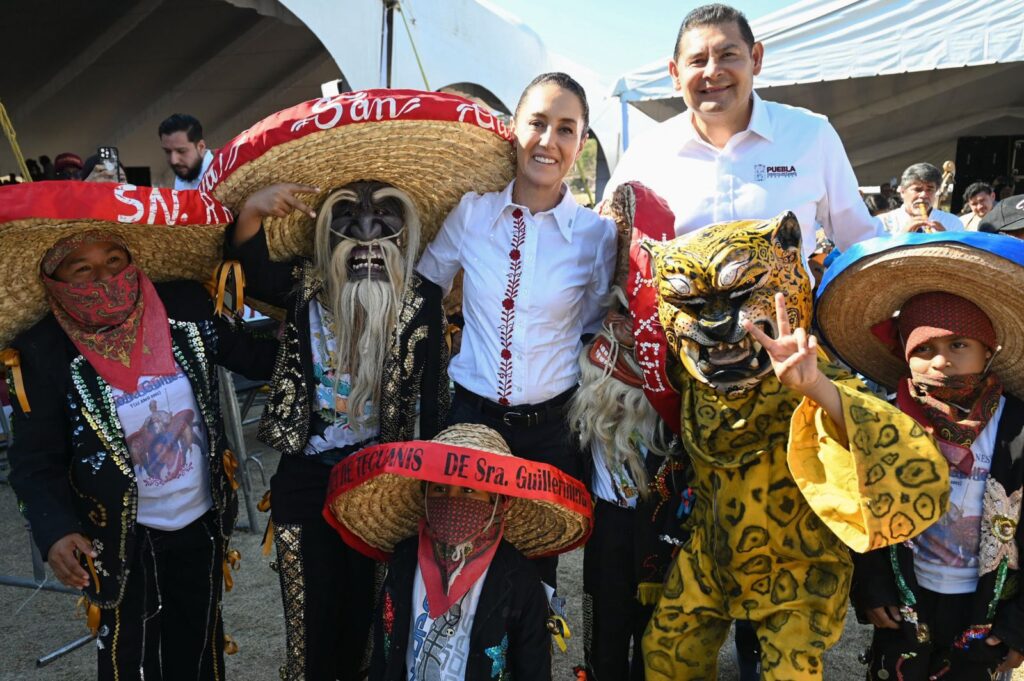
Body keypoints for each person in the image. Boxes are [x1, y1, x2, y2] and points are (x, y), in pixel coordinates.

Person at [206, 89, 515, 680]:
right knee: (311, 613)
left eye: (384, 224)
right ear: (327, 236)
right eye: (351, 223)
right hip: (306, 479)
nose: (368, 237)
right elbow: (249, 268)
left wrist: (435, 476)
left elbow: (433, 395)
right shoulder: (303, 289)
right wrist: (253, 210)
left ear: (406, 233)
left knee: (380, 613)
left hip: (385, 480)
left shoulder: (422, 301)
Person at [639, 211, 948, 680]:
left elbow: (884, 439)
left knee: (791, 674)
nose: (718, 322)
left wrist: (817, 388)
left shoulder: (806, 369)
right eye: (693, 304)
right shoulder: (688, 375)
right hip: (710, 553)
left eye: (741, 294)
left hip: (797, 565)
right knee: (665, 652)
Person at [0, 181, 277, 681]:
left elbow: (255, 357)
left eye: (113, 261)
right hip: (116, 536)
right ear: (54, 278)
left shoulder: (185, 308)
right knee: (128, 657)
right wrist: (55, 530)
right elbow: (33, 460)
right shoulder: (43, 352)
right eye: (81, 269)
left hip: (202, 517)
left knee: (199, 643)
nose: (103, 278)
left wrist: (323, 335)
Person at [417, 71, 616, 591]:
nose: (549, 141)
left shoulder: (596, 237)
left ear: (581, 142)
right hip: (470, 421)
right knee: (458, 566)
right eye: (538, 123)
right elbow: (423, 289)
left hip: (551, 434)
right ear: (513, 128)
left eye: (566, 129)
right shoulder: (471, 214)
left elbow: (592, 326)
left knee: (534, 576)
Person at [815, 232, 1024, 680]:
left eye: (958, 345)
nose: (941, 361)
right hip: (908, 596)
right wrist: (872, 588)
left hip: (985, 606)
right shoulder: (891, 420)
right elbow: (866, 509)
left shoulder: (1017, 428)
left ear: (990, 351)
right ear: (905, 357)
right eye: (923, 349)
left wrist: (1018, 627)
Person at [604, 3, 881, 265]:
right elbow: (604, 244)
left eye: (728, 55)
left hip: (791, 316)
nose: (712, 71)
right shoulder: (647, 152)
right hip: (675, 317)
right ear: (676, 74)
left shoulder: (811, 135)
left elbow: (861, 240)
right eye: (698, 61)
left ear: (756, 58)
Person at [323, 423, 593, 680]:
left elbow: (533, 670)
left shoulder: (521, 580)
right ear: (424, 495)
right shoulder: (405, 561)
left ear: (500, 502)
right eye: (440, 489)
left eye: (469, 490)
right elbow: (385, 652)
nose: (453, 502)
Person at [569, 180, 685, 681]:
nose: (621, 325)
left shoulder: (674, 360)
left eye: (630, 314)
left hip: (659, 516)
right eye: (614, 313)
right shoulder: (588, 348)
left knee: (658, 632)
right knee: (604, 622)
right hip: (606, 517)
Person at [879, 163, 964, 234]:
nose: (923, 195)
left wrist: (946, 241)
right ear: (902, 192)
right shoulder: (882, 222)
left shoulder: (952, 222)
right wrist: (903, 237)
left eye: (930, 190)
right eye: (917, 189)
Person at [158, 113, 213, 190]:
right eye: (168, 151)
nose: (174, 161)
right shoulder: (182, 176)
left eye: (181, 151)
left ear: (201, 147)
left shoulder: (227, 174)